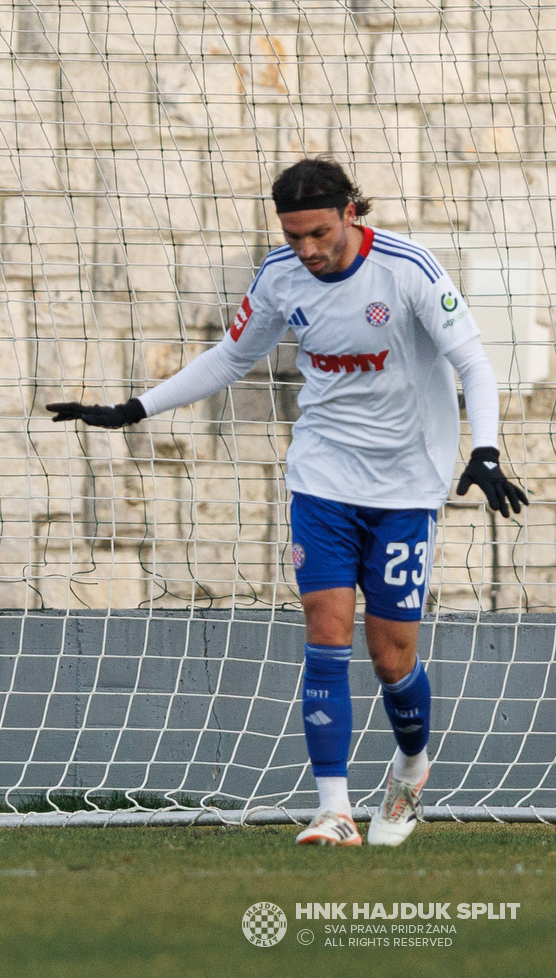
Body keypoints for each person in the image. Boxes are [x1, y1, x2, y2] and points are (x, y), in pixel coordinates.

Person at [47, 157, 527, 846]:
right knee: (325, 634)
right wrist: (135, 409)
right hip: (322, 480)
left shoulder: (407, 269)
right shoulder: (280, 275)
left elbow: (474, 362)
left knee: (391, 658)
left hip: (405, 487)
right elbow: (230, 356)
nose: (307, 249)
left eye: (319, 233)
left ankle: (411, 765)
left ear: (350, 214)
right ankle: (334, 809)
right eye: (293, 235)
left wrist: (485, 452)